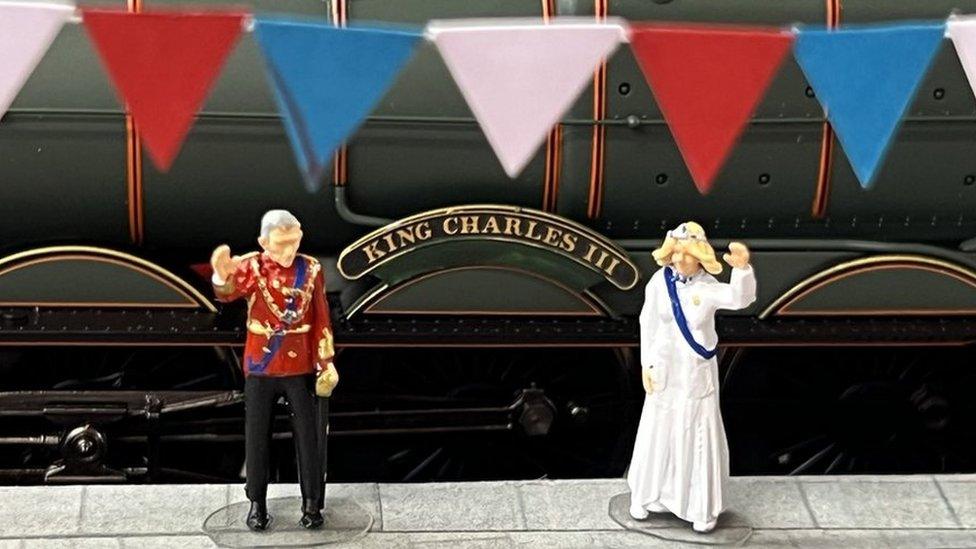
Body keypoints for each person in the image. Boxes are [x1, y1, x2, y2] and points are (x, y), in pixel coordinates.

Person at [210, 209, 339, 531]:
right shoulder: (253, 267)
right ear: (263, 242)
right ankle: (257, 504)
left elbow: (321, 318)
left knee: (308, 438)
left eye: (293, 242)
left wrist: (326, 362)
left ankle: (311, 503)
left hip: (299, 364)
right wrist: (221, 274)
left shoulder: (310, 270)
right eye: (281, 244)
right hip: (261, 365)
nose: (288, 251)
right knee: (256, 438)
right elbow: (228, 294)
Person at [627, 221, 756, 533]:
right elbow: (648, 323)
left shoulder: (708, 288)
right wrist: (646, 364)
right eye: (676, 254)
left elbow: (740, 299)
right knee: (658, 429)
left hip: (694, 372)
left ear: (700, 256)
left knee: (696, 434)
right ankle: (649, 494)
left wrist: (742, 270)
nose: (680, 261)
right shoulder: (659, 282)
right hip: (664, 370)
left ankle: (700, 507)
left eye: (686, 255)